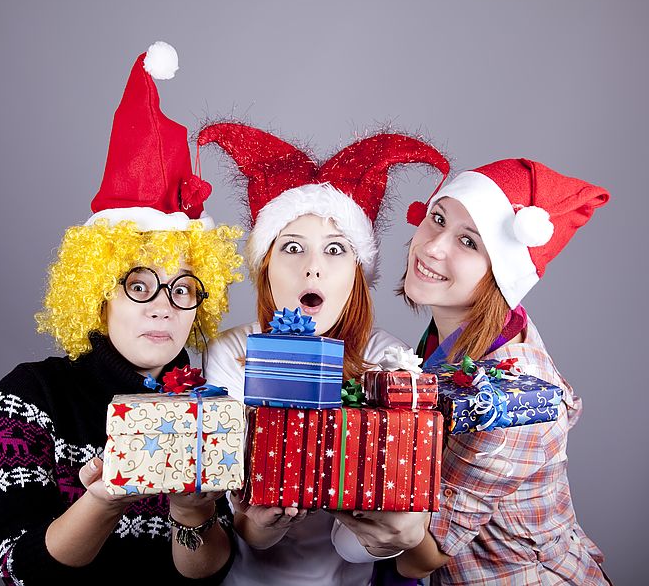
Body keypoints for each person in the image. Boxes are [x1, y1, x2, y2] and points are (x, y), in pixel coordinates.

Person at [0, 42, 243, 584]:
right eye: (141, 285)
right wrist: (103, 498)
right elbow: (21, 570)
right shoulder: (30, 395)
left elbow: (210, 574)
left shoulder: (209, 400)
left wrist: (192, 517)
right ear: (98, 292)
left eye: (184, 288)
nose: (165, 308)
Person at [197, 122, 450, 585]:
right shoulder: (232, 353)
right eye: (293, 248)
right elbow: (241, 527)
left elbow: (360, 547)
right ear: (266, 266)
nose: (313, 266)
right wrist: (260, 523)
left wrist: (401, 528)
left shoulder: (388, 362)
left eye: (336, 250)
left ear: (357, 272)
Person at [387, 158, 612, 584]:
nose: (433, 247)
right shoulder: (455, 335)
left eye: (469, 242)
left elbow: (425, 553)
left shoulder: (514, 398)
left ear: (503, 274)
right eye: (437, 219)